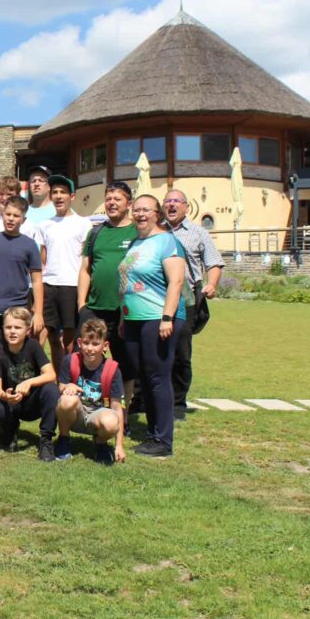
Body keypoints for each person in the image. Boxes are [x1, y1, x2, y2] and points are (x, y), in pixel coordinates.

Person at [118, 194, 186, 458]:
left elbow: (176, 282)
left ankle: (163, 440)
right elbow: (126, 283)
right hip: (134, 319)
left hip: (157, 318)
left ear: (157, 214)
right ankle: (152, 433)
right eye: (136, 210)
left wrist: (167, 317)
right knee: (144, 378)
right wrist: (123, 318)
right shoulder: (136, 242)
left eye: (146, 210)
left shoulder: (167, 241)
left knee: (157, 377)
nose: (140, 214)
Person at [163, 188, 224, 418]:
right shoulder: (156, 230)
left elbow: (214, 262)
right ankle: (146, 400)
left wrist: (212, 284)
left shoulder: (198, 233)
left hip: (186, 299)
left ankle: (178, 403)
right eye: (167, 201)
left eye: (176, 201)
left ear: (186, 207)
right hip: (157, 297)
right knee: (153, 349)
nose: (171, 205)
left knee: (181, 352)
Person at [77, 181, 138, 408]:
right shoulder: (96, 232)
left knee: (126, 363)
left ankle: (123, 411)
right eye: (108, 199)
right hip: (94, 308)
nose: (111, 203)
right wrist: (81, 305)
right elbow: (85, 270)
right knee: (87, 358)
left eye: (117, 199)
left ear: (129, 204)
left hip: (125, 310)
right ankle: (85, 406)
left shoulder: (137, 232)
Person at [0, 307, 59, 461]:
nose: (12, 331)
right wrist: (5, 396)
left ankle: (46, 440)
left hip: (32, 402)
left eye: (18, 328)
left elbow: (51, 375)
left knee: (51, 390)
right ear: (3, 329)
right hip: (11, 403)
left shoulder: (33, 346)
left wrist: (29, 382)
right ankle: (10, 429)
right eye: (8, 327)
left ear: (27, 330)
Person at [37, 175, 93, 371]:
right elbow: (43, 258)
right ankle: (54, 377)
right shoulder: (44, 225)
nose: (59, 196)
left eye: (63, 192)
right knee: (49, 336)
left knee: (69, 340)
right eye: (55, 192)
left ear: (72, 196)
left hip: (72, 285)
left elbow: (87, 259)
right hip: (49, 286)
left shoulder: (84, 223)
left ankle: (69, 377)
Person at [54, 318, 126, 464]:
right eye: (86, 343)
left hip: (98, 415)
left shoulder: (112, 370)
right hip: (76, 415)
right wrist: (67, 386)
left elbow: (117, 408)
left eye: (95, 344)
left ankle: (101, 444)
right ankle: (64, 439)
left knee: (111, 422)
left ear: (105, 346)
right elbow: (61, 386)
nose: (90, 348)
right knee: (66, 399)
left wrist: (119, 445)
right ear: (79, 343)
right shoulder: (70, 360)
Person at [0, 196, 44, 338]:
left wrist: (39, 313)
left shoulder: (29, 245)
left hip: (17, 310)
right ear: (2, 215)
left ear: (23, 219)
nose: (11, 219)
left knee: (15, 349)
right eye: (8, 214)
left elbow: (37, 280)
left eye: (16, 216)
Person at [0, 176, 41, 246]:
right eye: (1, 194)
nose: (4, 198)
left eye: (9, 194)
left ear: (18, 196)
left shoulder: (28, 225)